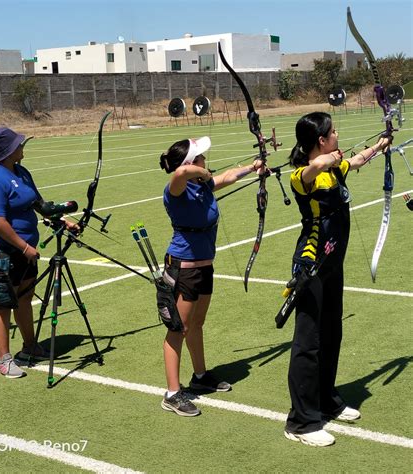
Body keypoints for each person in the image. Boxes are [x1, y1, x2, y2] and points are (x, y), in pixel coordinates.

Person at [284, 112, 392, 446]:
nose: (337, 135)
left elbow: (356, 161)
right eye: (333, 133)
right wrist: (325, 160)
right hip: (311, 266)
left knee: (332, 333)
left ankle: (325, 399)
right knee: (308, 342)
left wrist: (380, 144)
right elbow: (306, 172)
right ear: (321, 140)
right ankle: (300, 422)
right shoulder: (305, 176)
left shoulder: (334, 169)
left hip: (333, 264)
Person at [159, 136, 266, 416]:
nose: (207, 161)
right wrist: (203, 172)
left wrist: (254, 167)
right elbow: (180, 172)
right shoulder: (177, 190)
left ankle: (200, 376)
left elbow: (229, 176)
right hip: (183, 267)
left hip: (204, 265)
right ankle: (172, 393)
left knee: (197, 323)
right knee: (177, 329)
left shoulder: (202, 186)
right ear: (193, 163)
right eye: (202, 158)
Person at [0, 127, 78, 379]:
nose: (23, 147)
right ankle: (3, 360)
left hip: (26, 251)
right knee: (2, 304)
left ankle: (29, 346)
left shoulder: (21, 172)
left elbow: (38, 204)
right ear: (8, 151)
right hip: (1, 251)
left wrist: (62, 219)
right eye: (19, 144)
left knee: (24, 296)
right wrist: (23, 247)